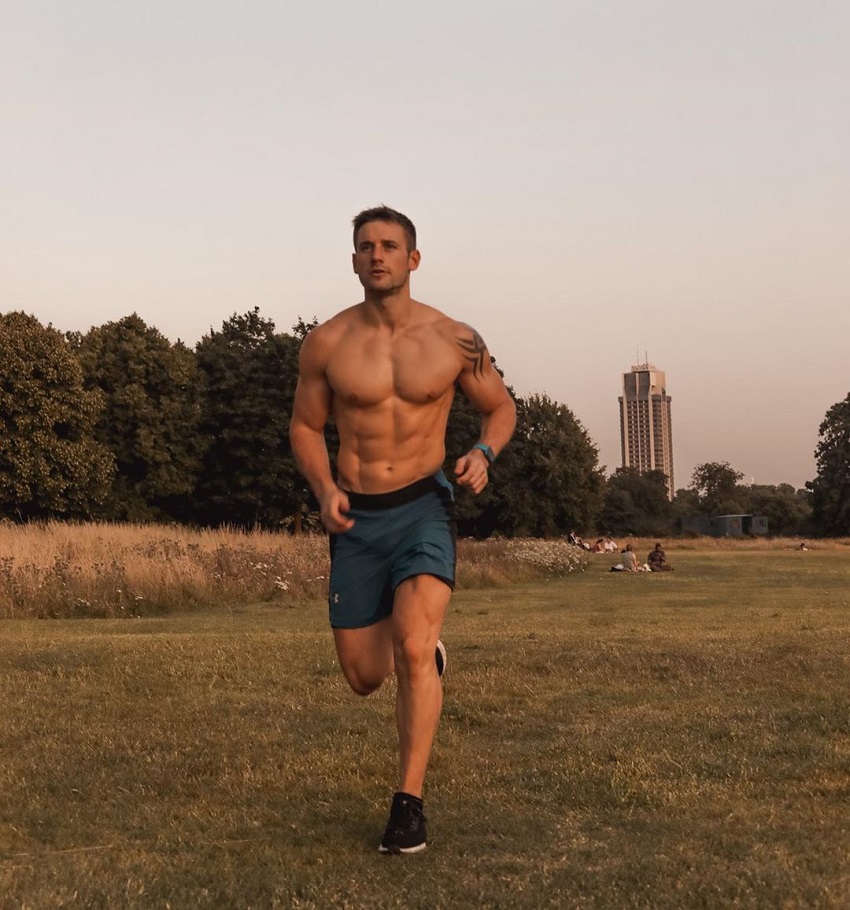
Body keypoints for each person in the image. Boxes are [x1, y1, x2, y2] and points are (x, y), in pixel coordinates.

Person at [289, 205, 517, 854]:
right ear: (354, 260)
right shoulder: (327, 343)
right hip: (355, 516)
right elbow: (305, 428)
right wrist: (325, 487)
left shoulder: (453, 339)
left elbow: (500, 407)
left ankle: (407, 807)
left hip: (424, 504)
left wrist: (484, 453)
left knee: (414, 649)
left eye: (390, 246)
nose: (378, 255)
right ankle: (420, 652)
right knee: (364, 676)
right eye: (366, 246)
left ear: (413, 259)